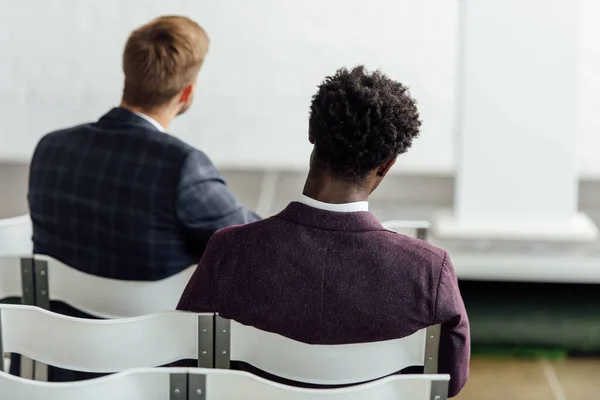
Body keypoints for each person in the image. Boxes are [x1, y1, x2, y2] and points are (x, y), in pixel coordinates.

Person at [176, 66, 470, 397]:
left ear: (312, 132)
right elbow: (450, 381)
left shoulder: (229, 250)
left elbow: (182, 354)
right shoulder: (429, 271)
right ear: (386, 165)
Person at [21, 15, 259, 381]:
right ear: (186, 93)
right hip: (152, 372)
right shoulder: (182, 167)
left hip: (62, 365)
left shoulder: (50, 149)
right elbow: (254, 241)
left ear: (127, 75)